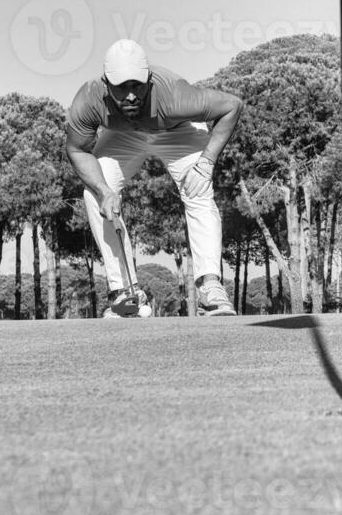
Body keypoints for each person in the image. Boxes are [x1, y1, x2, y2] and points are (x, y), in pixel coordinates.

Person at [65, 38, 244, 317]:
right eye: (121, 88)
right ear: (106, 84)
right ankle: (125, 294)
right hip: (123, 135)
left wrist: (207, 162)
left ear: (148, 79)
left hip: (176, 130)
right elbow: (77, 149)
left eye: (137, 85)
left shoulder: (175, 96)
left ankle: (211, 287)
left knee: (198, 189)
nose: (131, 95)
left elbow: (232, 106)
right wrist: (104, 190)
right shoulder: (89, 98)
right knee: (94, 193)